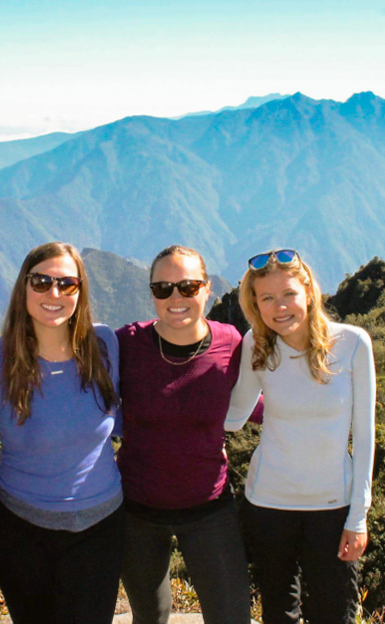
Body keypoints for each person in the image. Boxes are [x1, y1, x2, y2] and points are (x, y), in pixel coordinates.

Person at [0, 242, 123, 624]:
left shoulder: (104, 345)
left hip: (99, 528)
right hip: (21, 531)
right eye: (41, 282)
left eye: (66, 284)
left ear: (80, 291)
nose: (53, 294)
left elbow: (123, 418)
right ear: (23, 288)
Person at [225, 248, 375, 624]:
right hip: (268, 504)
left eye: (289, 294)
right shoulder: (256, 346)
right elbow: (234, 416)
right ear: (255, 305)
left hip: (331, 506)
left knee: (334, 613)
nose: (280, 307)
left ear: (308, 291)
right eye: (267, 299)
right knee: (279, 614)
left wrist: (358, 518)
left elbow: (366, 435)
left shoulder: (353, 344)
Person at [116, 245, 252, 624]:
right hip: (136, 510)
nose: (176, 298)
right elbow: (86, 399)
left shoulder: (231, 343)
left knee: (231, 616)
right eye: (163, 289)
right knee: (150, 617)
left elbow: (255, 408)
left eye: (188, 287)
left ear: (207, 289)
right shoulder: (126, 343)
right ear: (152, 294)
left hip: (209, 507)